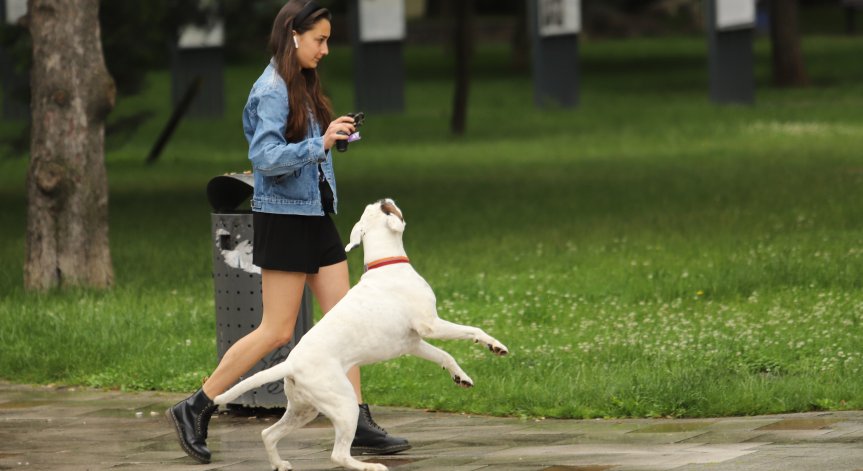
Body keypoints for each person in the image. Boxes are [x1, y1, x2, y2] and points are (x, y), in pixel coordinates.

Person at [166, 0, 411, 464]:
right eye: (319, 39)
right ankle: (195, 406)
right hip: (283, 219)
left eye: (328, 40)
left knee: (346, 322)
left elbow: (300, 151)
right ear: (293, 35)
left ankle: (357, 421)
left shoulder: (301, 83)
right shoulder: (271, 89)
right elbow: (266, 159)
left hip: (316, 215)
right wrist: (318, 144)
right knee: (276, 331)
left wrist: (334, 137)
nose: (325, 49)